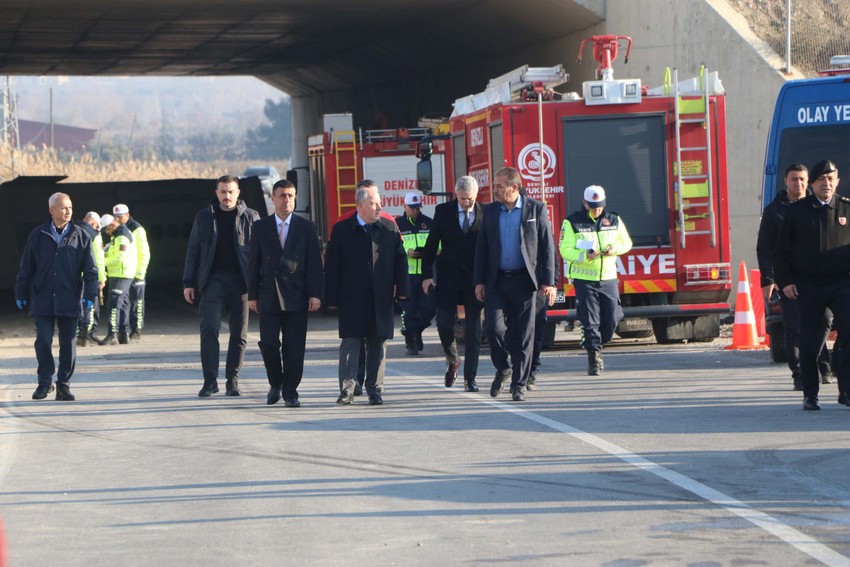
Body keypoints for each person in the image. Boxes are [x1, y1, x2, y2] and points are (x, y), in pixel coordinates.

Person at [474, 167, 557, 402]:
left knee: (523, 336)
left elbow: (547, 247)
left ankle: (519, 384)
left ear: (514, 187)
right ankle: (503, 368)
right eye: (495, 185)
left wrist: (548, 282)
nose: (495, 189)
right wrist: (479, 281)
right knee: (494, 329)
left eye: (500, 186)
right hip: (496, 281)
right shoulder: (489, 211)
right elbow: (482, 248)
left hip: (524, 282)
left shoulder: (535, 209)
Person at [773, 159, 850, 411]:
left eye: (831, 179)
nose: (826, 184)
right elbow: (780, 251)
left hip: (842, 284)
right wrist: (785, 282)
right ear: (813, 184)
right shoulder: (797, 212)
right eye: (821, 180)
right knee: (809, 340)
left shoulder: (846, 209)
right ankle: (810, 393)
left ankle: (846, 389)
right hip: (810, 286)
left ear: (837, 182)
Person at [325, 180, 408, 406]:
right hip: (352, 298)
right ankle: (348, 389)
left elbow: (401, 262)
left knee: (377, 343)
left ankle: (375, 388)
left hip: (380, 298)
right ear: (360, 206)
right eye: (373, 204)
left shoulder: (389, 228)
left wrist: (403, 291)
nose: (379, 208)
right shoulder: (342, 229)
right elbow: (333, 266)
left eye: (379, 203)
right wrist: (331, 297)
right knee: (351, 343)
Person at [756, 163, 834, 390]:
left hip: (819, 278)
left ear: (808, 181)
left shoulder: (818, 205)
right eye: (793, 180)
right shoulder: (774, 211)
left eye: (802, 179)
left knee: (824, 321)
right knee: (795, 327)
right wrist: (769, 279)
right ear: (785, 182)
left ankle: (823, 364)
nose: (798, 184)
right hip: (789, 278)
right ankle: (800, 373)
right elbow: (765, 248)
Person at [15, 192, 98, 401]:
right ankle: (44, 382)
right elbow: (26, 266)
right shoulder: (37, 235)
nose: (68, 211)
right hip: (42, 297)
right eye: (63, 207)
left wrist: (90, 294)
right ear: (52, 210)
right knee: (43, 340)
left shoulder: (81, 236)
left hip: (69, 297)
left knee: (68, 345)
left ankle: (63, 385)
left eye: (70, 207)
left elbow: (91, 270)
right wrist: (20, 290)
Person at [183, 175, 260, 397]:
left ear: (238, 193)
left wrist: (259, 286)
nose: (227, 196)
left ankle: (232, 381)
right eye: (223, 192)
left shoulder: (252, 217)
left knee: (239, 333)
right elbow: (193, 250)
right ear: (216, 193)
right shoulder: (205, 217)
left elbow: (260, 254)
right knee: (209, 328)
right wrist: (188, 282)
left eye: (231, 191)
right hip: (213, 280)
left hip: (241, 282)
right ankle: (210, 381)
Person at [248, 179, 323, 407]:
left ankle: (290, 391)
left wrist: (315, 294)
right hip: (269, 295)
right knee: (269, 343)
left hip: (297, 295)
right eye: (281, 195)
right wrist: (252, 295)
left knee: (294, 347)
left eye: (290, 195)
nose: (286, 200)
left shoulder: (305, 227)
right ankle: (276, 383)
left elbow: (314, 264)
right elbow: (253, 263)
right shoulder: (261, 227)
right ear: (273, 198)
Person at [559, 185, 632, 375]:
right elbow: (564, 249)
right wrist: (584, 256)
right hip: (584, 279)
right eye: (593, 206)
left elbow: (626, 242)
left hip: (608, 278)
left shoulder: (614, 220)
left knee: (612, 319)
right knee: (590, 321)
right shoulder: (572, 222)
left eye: (599, 206)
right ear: (584, 203)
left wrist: (613, 249)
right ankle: (594, 357)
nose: (597, 209)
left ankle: (599, 341)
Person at [421, 175, 485, 392]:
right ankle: (453, 360)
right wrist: (427, 275)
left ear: (476, 196)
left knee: (473, 329)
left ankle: (470, 378)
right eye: (462, 199)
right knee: (444, 323)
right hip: (448, 277)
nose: (466, 203)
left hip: (475, 280)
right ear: (456, 195)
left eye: (470, 199)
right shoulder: (443, 212)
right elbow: (431, 245)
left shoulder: (485, 213)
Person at [396, 191, 436, 355]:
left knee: (430, 308)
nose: (415, 211)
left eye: (418, 208)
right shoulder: (397, 224)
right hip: (406, 275)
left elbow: (439, 245)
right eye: (412, 208)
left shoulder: (429, 223)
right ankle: (409, 340)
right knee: (409, 310)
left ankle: (416, 331)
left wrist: (426, 251)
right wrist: (407, 251)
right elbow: (392, 247)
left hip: (425, 274)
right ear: (404, 206)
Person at [113, 203, 150, 341]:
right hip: (125, 273)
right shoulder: (118, 230)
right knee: (124, 303)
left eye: (120, 217)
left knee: (137, 302)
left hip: (136, 272)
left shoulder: (137, 230)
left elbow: (144, 253)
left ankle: (137, 330)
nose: (117, 219)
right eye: (115, 217)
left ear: (127, 215)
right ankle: (125, 330)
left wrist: (140, 272)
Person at [99, 213, 137, 345]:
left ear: (111, 225)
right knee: (124, 304)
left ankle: (112, 335)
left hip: (121, 275)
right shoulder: (118, 236)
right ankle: (123, 334)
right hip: (122, 274)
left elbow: (120, 257)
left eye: (106, 229)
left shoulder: (122, 237)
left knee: (113, 305)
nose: (106, 232)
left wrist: (101, 262)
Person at [76, 211, 106, 346]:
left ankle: (77, 335)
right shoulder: (95, 236)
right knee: (90, 306)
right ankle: (86, 336)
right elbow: (98, 260)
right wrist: (101, 278)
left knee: (76, 306)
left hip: (74, 277)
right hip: (89, 277)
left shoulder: (73, 230)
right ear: (94, 223)